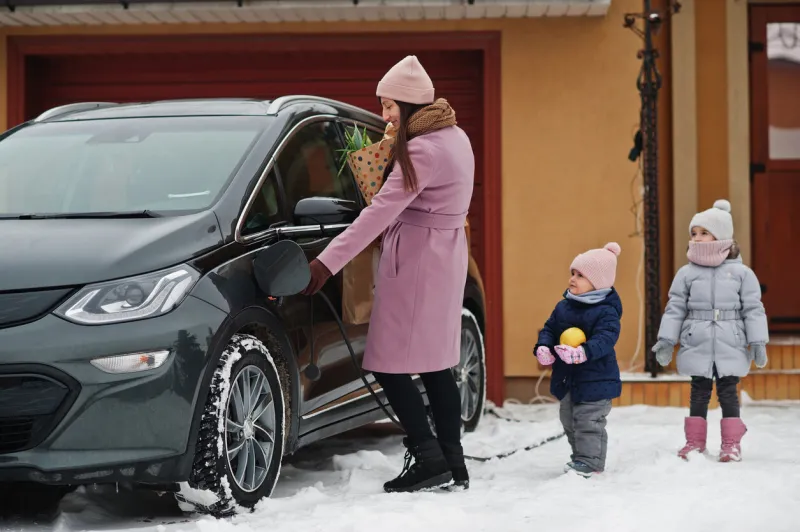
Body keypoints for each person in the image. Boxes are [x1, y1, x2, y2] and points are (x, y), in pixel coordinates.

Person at [301, 55, 474, 493]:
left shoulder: (422, 148)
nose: (384, 116)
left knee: (388, 363)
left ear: (410, 103)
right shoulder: (456, 137)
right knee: (437, 365)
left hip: (415, 261)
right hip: (444, 257)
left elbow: (379, 213)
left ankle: (428, 456)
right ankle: (453, 462)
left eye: (389, 105)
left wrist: (326, 262)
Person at [652, 199, 769, 462]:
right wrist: (667, 340)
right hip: (698, 339)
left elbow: (753, 308)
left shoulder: (741, 273)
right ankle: (694, 442)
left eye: (704, 232)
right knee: (699, 390)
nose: (697, 237)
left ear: (722, 235)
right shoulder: (686, 273)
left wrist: (758, 341)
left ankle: (731, 444)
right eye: (694, 233)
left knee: (728, 391)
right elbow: (675, 307)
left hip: (731, 339)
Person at [534, 242, 623, 478]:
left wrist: (583, 352)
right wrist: (543, 346)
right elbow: (550, 329)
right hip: (568, 378)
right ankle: (580, 457)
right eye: (572, 273)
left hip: (596, 379)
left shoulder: (606, 311)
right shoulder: (563, 307)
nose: (573, 279)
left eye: (581, 275)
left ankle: (591, 461)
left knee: (589, 421)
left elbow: (606, 339)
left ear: (599, 282)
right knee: (569, 419)